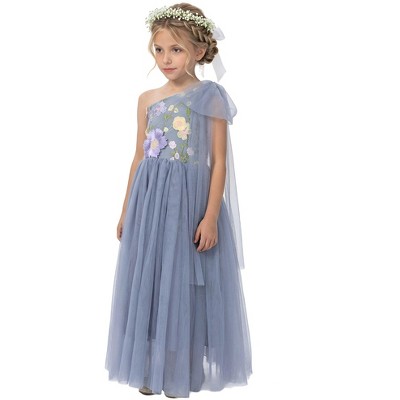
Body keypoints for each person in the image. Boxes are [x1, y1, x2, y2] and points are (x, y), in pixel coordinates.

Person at [105, 3, 252, 398]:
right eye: (159, 50)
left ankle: (179, 372)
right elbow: (139, 157)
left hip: (189, 205)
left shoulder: (209, 96)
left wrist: (210, 216)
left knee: (184, 285)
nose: (166, 59)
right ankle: (149, 368)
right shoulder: (147, 98)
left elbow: (218, 161)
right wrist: (126, 210)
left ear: (199, 51)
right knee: (150, 282)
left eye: (176, 50)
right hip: (149, 204)